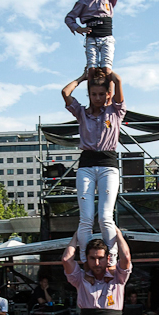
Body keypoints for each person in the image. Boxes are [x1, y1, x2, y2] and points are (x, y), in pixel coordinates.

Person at [61, 66, 126, 265]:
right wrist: (82, 77)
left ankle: (111, 259)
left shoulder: (115, 111)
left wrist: (109, 75)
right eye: (93, 94)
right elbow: (65, 93)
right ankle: (85, 259)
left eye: (101, 94)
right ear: (89, 95)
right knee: (86, 218)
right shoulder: (82, 113)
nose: (97, 98)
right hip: (86, 165)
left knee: (106, 217)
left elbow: (118, 81)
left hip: (108, 165)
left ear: (108, 94)